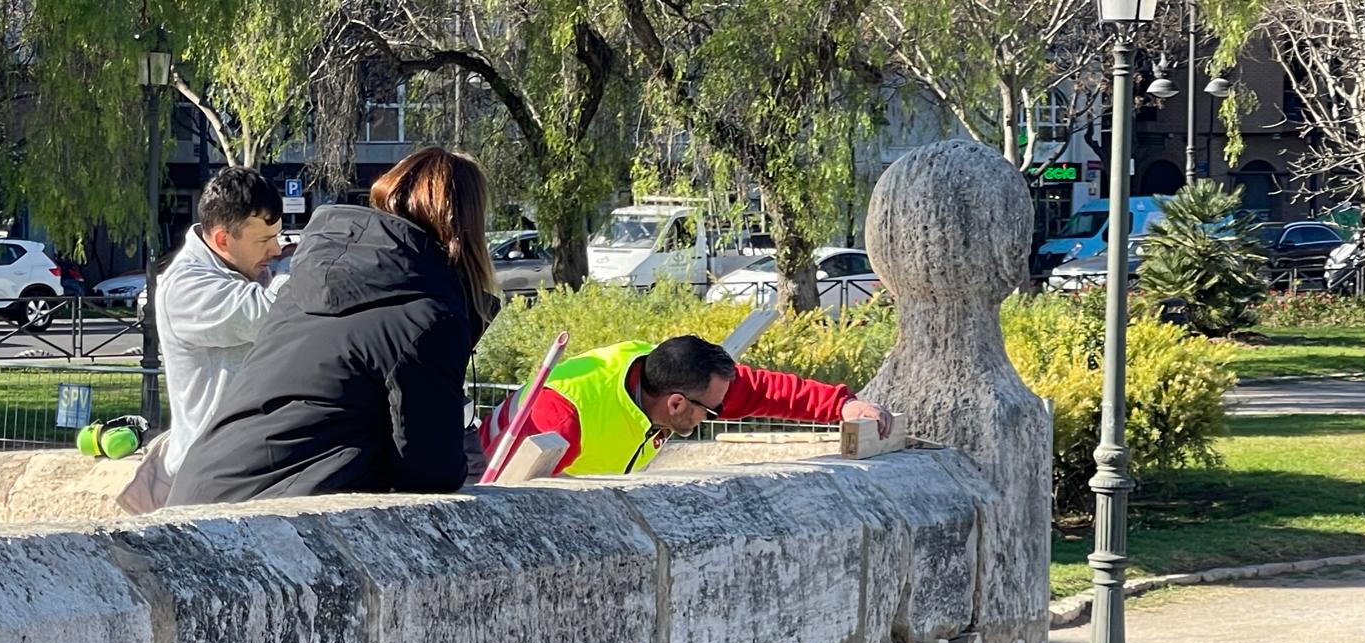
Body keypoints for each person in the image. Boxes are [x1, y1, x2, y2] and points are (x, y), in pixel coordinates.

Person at [166, 147, 500, 505]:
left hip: (200, 494)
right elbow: (432, 471)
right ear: (467, 228)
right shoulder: (428, 315)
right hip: (258, 513)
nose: (275, 250)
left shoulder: (302, 287)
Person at [477, 334, 892, 478]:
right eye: (711, 412)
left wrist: (842, 405)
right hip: (488, 473)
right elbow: (511, 501)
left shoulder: (668, 373)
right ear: (676, 404)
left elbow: (761, 391)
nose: (719, 412)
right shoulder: (561, 417)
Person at [119, 167, 287, 513]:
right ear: (223, 240)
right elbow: (269, 314)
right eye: (263, 241)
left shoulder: (249, 270)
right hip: (209, 480)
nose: (276, 250)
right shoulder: (187, 285)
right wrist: (310, 264)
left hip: (243, 468)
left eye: (277, 237)